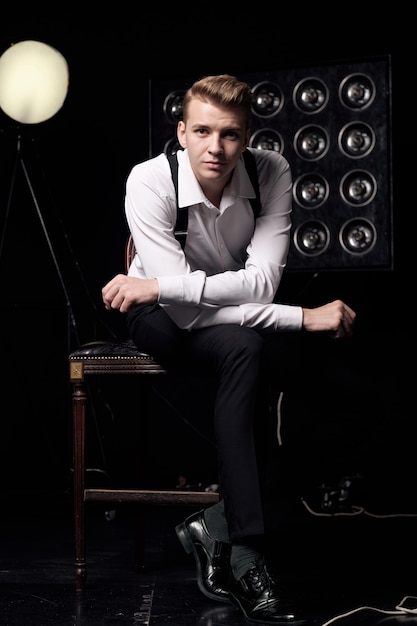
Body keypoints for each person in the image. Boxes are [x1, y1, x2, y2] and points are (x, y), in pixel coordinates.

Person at [102, 74, 356, 625]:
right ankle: (246, 553)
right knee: (247, 347)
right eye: (202, 132)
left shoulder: (272, 172)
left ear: (248, 137)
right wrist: (303, 317)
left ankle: (217, 524)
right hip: (155, 316)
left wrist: (168, 282)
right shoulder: (149, 181)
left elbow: (262, 283)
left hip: (206, 307)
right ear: (181, 132)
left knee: (339, 380)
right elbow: (182, 310)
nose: (215, 148)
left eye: (230, 135)